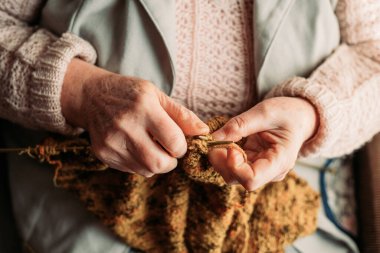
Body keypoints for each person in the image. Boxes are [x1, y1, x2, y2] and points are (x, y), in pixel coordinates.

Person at [0, 0, 379, 252]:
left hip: (290, 212)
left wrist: (311, 113)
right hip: (84, 208)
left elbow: (374, 54)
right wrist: (79, 92)